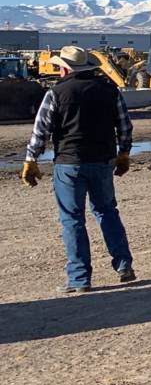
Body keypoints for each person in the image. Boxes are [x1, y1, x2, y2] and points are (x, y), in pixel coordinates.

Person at [20, 45, 136, 294]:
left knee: (73, 220)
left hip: (69, 164)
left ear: (64, 68)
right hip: (103, 161)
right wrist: (123, 153)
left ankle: (80, 278)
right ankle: (124, 265)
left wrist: (31, 159)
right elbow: (125, 126)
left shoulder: (56, 92)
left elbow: (41, 131)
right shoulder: (109, 90)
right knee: (107, 212)